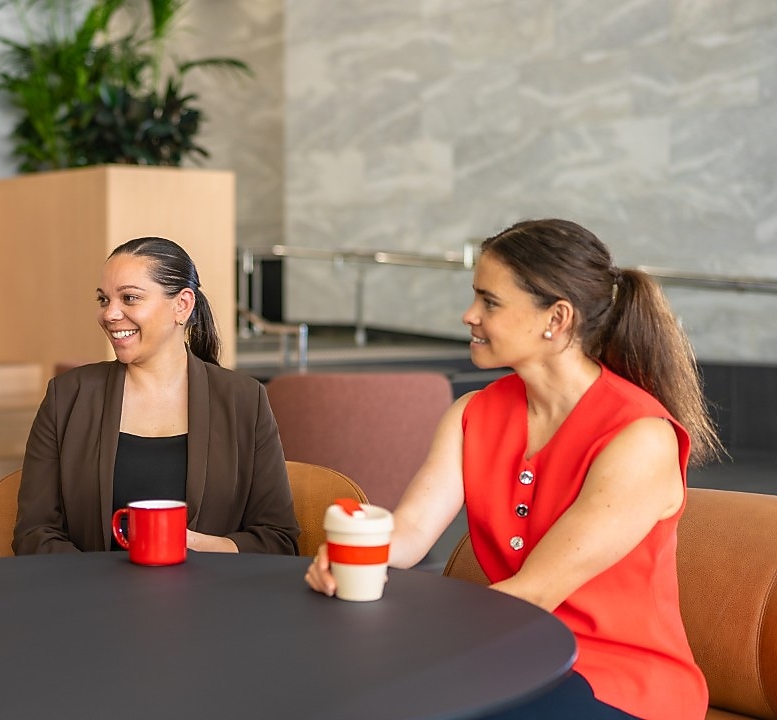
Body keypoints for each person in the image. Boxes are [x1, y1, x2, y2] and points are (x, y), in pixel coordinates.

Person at [305, 219, 720, 720]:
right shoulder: (471, 414)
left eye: (490, 302)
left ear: (556, 318)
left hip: (621, 683)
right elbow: (412, 531)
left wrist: (415, 644)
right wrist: (355, 556)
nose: (469, 315)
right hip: (513, 653)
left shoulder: (640, 438)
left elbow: (535, 592)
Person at [15, 236, 299, 555]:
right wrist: (98, 588)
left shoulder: (245, 399)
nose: (110, 314)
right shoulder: (67, 396)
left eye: (130, 298)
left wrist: (191, 545)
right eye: (104, 300)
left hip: (210, 597)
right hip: (92, 599)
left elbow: (278, 539)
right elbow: (34, 532)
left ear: (182, 305)